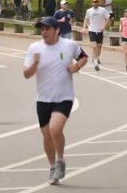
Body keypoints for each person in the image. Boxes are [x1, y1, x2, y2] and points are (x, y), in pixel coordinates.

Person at [23, 16, 88, 185]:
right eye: (42, 29)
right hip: (43, 98)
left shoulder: (69, 45)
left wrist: (77, 66)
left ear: (57, 30)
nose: (44, 32)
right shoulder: (34, 48)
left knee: (55, 129)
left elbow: (83, 56)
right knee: (46, 135)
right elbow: (26, 74)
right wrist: (35, 64)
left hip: (64, 96)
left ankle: (60, 159)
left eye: (47, 28)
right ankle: (53, 166)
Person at [82, 0, 110, 71]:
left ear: (98, 3)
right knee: (94, 47)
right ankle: (95, 63)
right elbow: (86, 19)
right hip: (92, 30)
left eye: (97, 2)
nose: (95, 3)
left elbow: (108, 18)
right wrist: (84, 28)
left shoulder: (103, 10)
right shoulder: (89, 11)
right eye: (94, 2)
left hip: (100, 30)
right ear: (92, 3)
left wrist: (104, 26)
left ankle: (95, 57)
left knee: (99, 47)